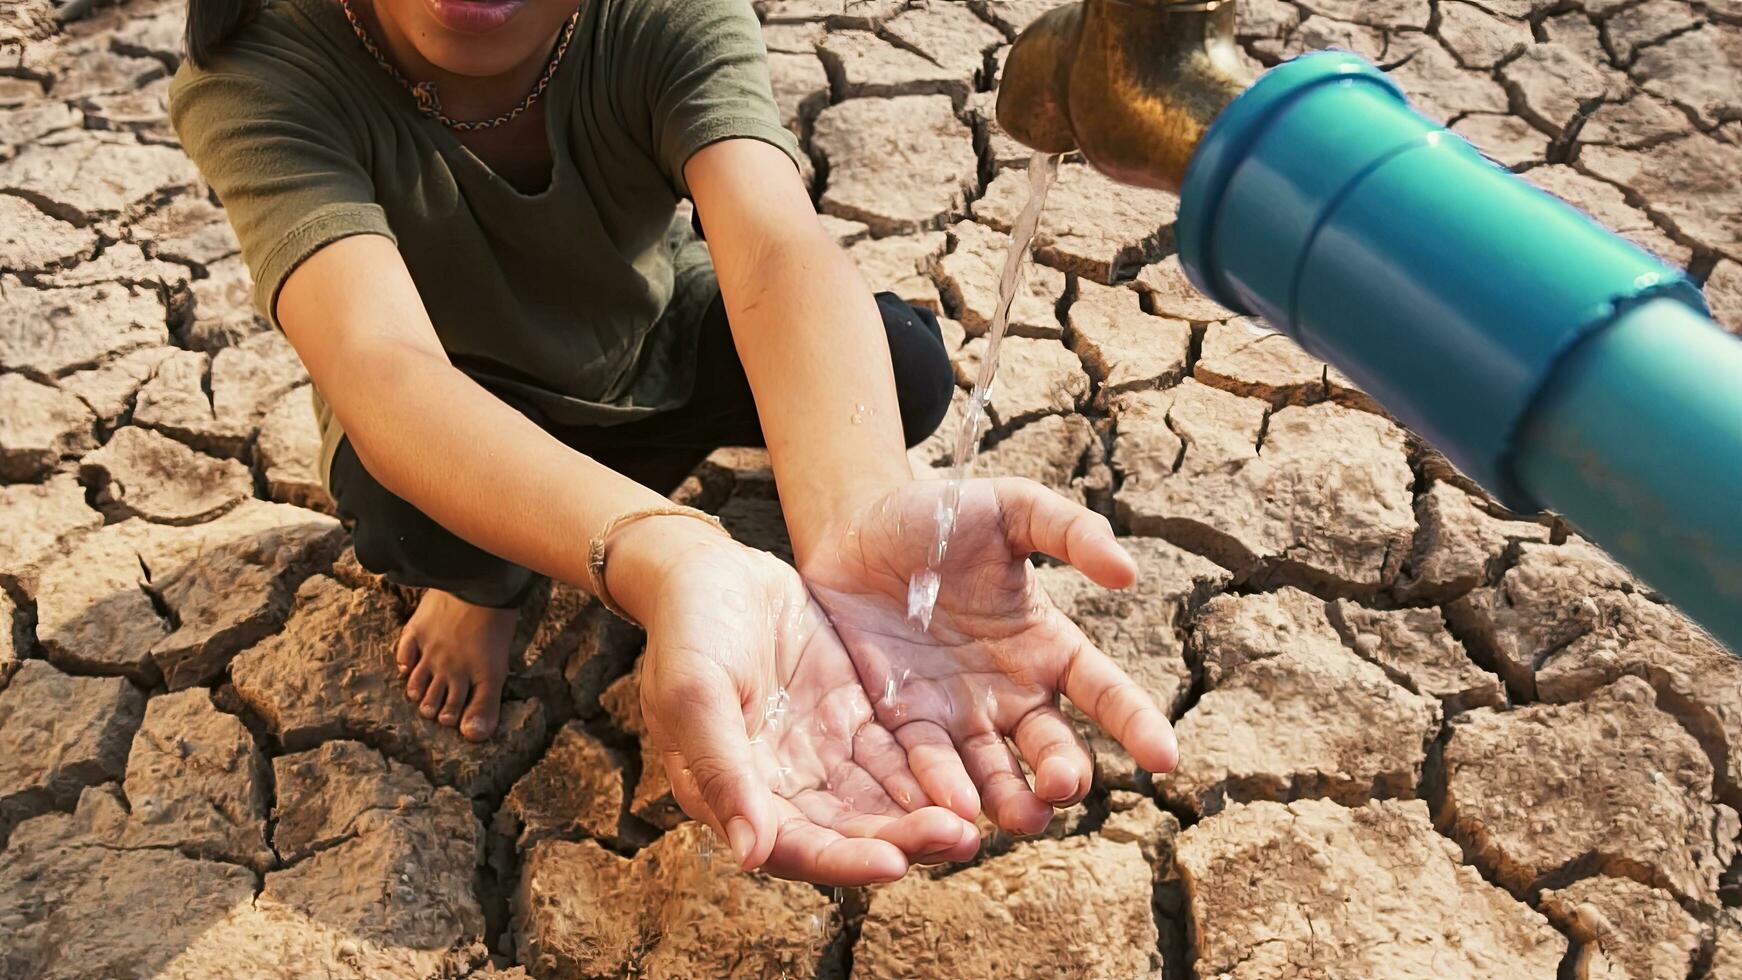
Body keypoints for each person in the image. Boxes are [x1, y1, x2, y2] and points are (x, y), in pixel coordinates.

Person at [172, 0, 1178, 886]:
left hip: (648, 336)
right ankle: (490, 571)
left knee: (899, 368)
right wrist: (666, 557)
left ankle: (596, 511)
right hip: (466, 405)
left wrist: (856, 503)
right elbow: (385, 366)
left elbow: (775, 242)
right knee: (412, 513)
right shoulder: (264, 63)